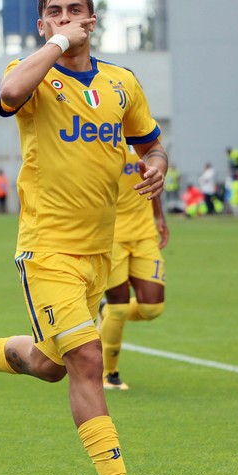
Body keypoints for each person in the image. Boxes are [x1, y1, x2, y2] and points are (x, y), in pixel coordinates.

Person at [0, 0, 169, 475]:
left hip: (98, 251)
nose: (65, 19)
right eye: (55, 13)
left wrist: (156, 167)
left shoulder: (121, 83)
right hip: (47, 249)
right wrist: (59, 44)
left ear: (94, 17)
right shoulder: (32, 75)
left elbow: (152, 145)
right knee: (87, 360)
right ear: (43, 25)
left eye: (74, 11)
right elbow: (7, 95)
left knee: (49, 365)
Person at [98, 146, 169, 390]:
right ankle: (109, 374)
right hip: (112, 234)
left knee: (152, 307)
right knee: (118, 307)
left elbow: (152, 178)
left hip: (143, 232)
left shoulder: (143, 136)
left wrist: (159, 217)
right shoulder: (100, 134)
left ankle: (104, 312)